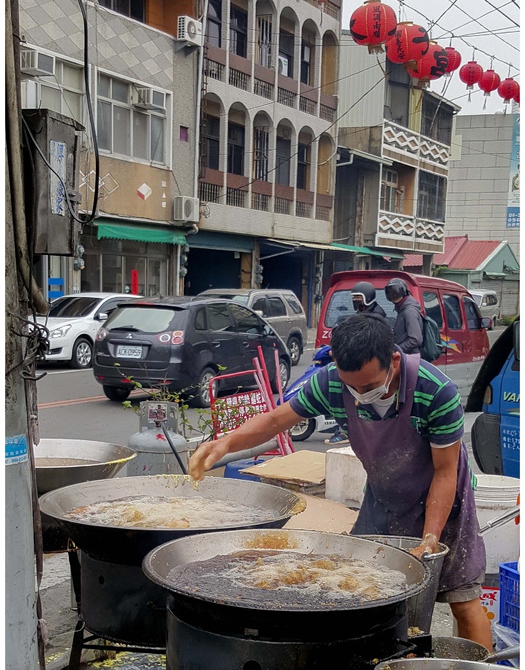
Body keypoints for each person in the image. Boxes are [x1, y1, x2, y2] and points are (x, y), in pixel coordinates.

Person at [189, 314, 491, 649]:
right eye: (352, 387)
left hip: (445, 504)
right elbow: (276, 419)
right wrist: (225, 443)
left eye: (369, 386)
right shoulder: (330, 382)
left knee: (463, 600)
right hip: (383, 498)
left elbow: (446, 471)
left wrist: (430, 537)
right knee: (361, 589)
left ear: (393, 360)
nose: (360, 395)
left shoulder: (436, 392)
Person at [325, 281, 388, 444]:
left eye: (359, 298)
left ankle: (349, 430)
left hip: (366, 364)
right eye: (354, 298)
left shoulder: (375, 317)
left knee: (356, 396)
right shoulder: (361, 314)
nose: (356, 301)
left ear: (368, 298)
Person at [385, 277, 424, 354]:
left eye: (395, 291)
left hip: (409, 357)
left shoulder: (409, 311)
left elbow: (415, 339)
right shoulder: (402, 309)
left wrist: (397, 350)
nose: (393, 295)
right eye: (390, 292)